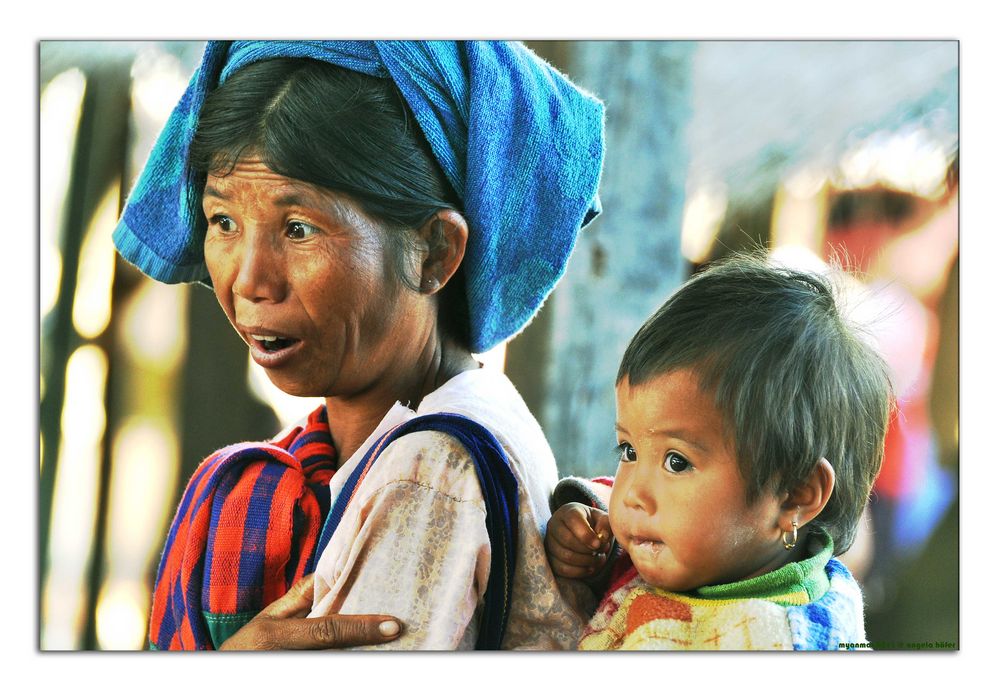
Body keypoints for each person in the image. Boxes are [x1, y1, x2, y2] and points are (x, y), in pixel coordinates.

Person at [113, 41, 604, 650]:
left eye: (299, 229)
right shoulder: (415, 437)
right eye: (223, 222)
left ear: (434, 252)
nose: (248, 280)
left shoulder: (430, 471)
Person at [544, 253, 894, 650]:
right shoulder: (702, 554)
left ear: (794, 495)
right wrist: (589, 546)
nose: (632, 495)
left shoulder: (770, 641)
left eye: (677, 462)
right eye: (629, 450)